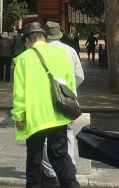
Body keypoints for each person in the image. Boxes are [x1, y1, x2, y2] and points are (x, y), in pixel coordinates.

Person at [11, 22, 80, 188]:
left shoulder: (23, 59)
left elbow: (19, 92)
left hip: (36, 117)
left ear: (28, 40)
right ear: (44, 37)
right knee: (60, 156)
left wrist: (19, 116)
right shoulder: (61, 54)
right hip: (59, 114)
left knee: (34, 158)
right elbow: (70, 85)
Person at [42, 21, 85, 185]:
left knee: (46, 134)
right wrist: (69, 89)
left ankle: (50, 171)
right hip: (68, 99)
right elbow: (80, 75)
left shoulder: (41, 51)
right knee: (67, 131)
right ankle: (70, 165)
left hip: (47, 97)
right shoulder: (71, 50)